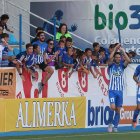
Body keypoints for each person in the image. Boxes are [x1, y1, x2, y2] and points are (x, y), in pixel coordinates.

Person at [107, 43, 131, 132]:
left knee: (118, 109)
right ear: (114, 58)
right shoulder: (111, 65)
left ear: (120, 58)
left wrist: (123, 51)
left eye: (119, 57)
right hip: (112, 90)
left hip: (120, 91)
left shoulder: (122, 66)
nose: (117, 58)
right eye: (116, 57)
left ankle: (115, 126)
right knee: (112, 107)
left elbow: (128, 60)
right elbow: (109, 58)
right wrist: (115, 49)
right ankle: (110, 123)